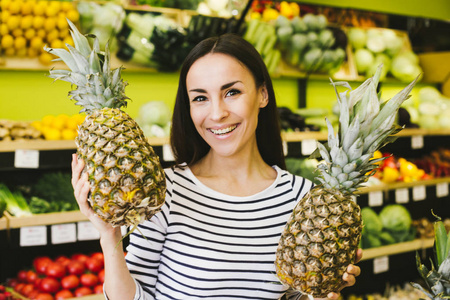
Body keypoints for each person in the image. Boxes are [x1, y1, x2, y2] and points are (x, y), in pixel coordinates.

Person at [72, 33, 361, 300]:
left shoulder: (302, 199)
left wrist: (321, 290)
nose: (217, 113)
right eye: (200, 98)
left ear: (263, 94)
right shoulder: (164, 193)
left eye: (232, 92)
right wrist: (109, 236)